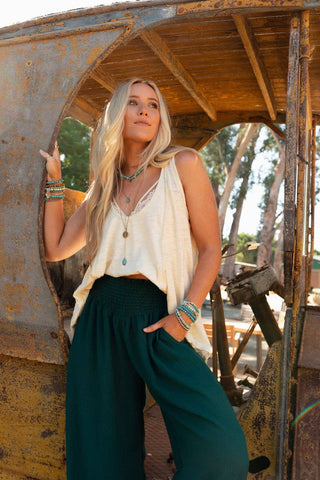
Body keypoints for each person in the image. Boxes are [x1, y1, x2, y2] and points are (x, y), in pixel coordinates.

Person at [40, 78, 249, 480]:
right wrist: (55, 177)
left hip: (159, 316)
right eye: (134, 103)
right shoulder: (104, 183)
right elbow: (57, 247)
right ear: (118, 114)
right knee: (101, 455)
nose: (144, 111)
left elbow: (210, 249)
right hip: (100, 317)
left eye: (153, 105)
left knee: (220, 453)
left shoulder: (182, 164)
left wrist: (184, 316)